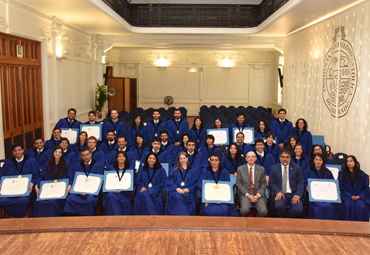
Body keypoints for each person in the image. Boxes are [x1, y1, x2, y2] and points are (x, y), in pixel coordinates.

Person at [0, 144, 38, 218]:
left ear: (23, 150)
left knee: (23, 201)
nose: (17, 152)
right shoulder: (8, 163)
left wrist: (32, 184)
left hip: (25, 189)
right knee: (2, 201)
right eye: (15, 151)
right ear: (13, 152)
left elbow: (36, 175)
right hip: (10, 189)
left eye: (19, 150)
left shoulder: (31, 161)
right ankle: (12, 215)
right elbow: (2, 176)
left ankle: (23, 216)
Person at [33, 146, 72, 217]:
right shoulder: (47, 164)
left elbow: (70, 177)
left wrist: (69, 186)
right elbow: (41, 176)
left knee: (53, 201)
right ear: (53, 153)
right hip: (48, 188)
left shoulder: (67, 163)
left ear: (62, 154)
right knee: (40, 201)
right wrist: (36, 185)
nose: (58, 154)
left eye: (60, 152)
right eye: (56, 152)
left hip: (60, 189)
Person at [63, 147, 104, 216]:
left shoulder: (97, 165)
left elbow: (99, 181)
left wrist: (87, 191)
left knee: (90, 200)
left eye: (87, 154)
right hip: (78, 191)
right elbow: (74, 180)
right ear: (81, 157)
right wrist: (79, 191)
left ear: (91, 155)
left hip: (92, 191)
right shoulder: (76, 165)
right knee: (70, 199)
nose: (86, 157)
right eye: (83, 155)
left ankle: (87, 218)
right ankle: (72, 218)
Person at [269, 150, 304, 218]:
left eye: (287, 157)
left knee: (298, 209)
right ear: (279, 158)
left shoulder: (296, 167)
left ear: (290, 158)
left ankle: (284, 219)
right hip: (281, 194)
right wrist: (278, 192)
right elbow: (272, 182)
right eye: (283, 157)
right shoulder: (274, 168)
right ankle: (286, 220)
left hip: (293, 194)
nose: (285, 159)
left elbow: (301, 182)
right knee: (278, 207)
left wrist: (297, 195)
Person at [305, 154, 337, 220]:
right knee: (318, 206)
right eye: (316, 159)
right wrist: (306, 187)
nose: (318, 161)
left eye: (320, 160)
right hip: (314, 196)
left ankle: (328, 224)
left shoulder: (328, 172)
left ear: (323, 161)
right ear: (313, 161)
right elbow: (304, 183)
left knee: (329, 205)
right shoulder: (308, 171)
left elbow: (332, 183)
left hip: (327, 196)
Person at [236, 151, 268, 217]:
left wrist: (257, 195)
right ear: (246, 159)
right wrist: (248, 195)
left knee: (264, 211)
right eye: (249, 157)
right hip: (246, 193)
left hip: (258, 193)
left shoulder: (261, 169)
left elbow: (263, 184)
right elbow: (238, 183)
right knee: (243, 210)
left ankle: (256, 218)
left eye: (253, 157)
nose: (251, 158)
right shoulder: (240, 169)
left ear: (256, 158)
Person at [339, 155, 370, 221]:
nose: (349, 163)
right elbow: (341, 187)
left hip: (359, 197)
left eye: (351, 161)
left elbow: (365, 188)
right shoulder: (342, 174)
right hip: (347, 197)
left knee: (361, 206)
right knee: (347, 206)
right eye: (347, 161)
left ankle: (361, 227)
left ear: (355, 162)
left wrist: (359, 196)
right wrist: (350, 196)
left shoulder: (362, 174)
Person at [102, 151, 133, 215]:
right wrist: (113, 189)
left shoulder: (129, 170)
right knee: (110, 196)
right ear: (117, 158)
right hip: (112, 191)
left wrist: (121, 190)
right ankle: (116, 218)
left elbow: (129, 183)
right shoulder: (110, 169)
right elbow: (107, 181)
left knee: (125, 200)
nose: (121, 158)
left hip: (124, 192)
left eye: (123, 156)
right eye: (119, 156)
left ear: (125, 158)